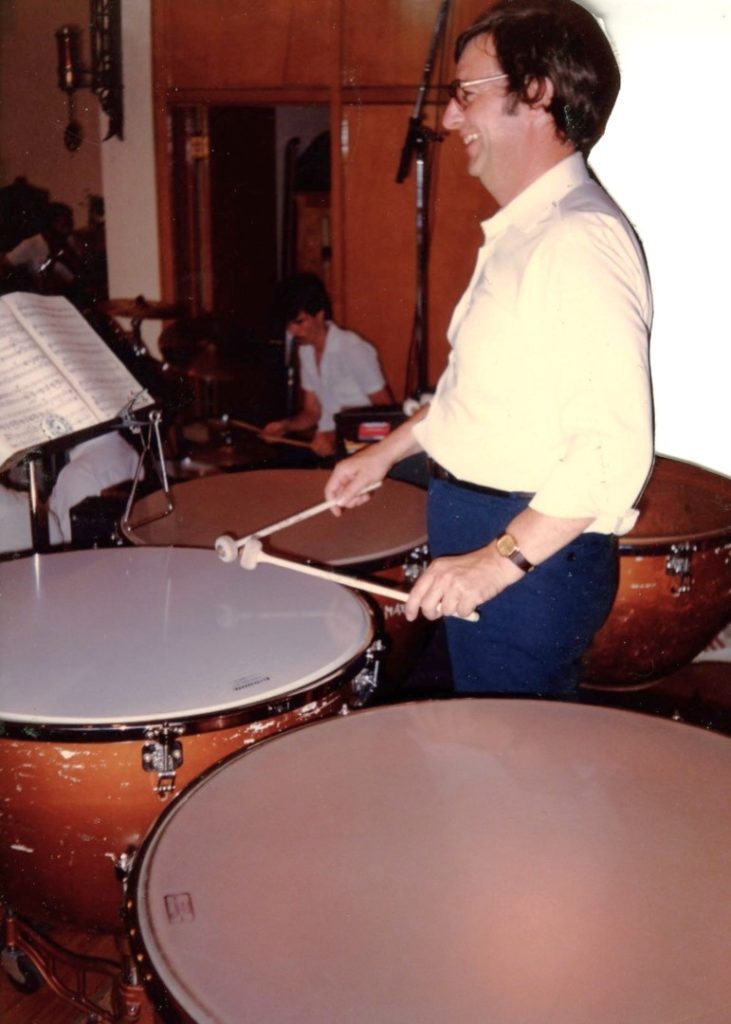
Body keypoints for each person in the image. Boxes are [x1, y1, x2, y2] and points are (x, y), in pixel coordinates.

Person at [325, 0, 654, 697]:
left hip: (528, 555)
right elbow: (473, 399)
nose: (449, 120)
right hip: (491, 532)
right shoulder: (528, 231)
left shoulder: (575, 239)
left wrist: (493, 561)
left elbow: (612, 454)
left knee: (512, 775)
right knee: (486, 760)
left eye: (465, 95)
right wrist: (384, 453)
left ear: (535, 96)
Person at [262, 273, 393, 458]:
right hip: (330, 451)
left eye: (299, 322)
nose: (292, 331)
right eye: (289, 324)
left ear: (320, 314)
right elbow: (312, 411)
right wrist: (286, 426)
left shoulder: (352, 349)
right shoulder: (305, 351)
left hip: (362, 453)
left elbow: (385, 412)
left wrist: (335, 435)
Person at [0, 202, 82, 299]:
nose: (70, 225)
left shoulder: (70, 241)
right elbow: (5, 263)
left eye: (70, 220)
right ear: (51, 223)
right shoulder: (31, 244)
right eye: (63, 223)